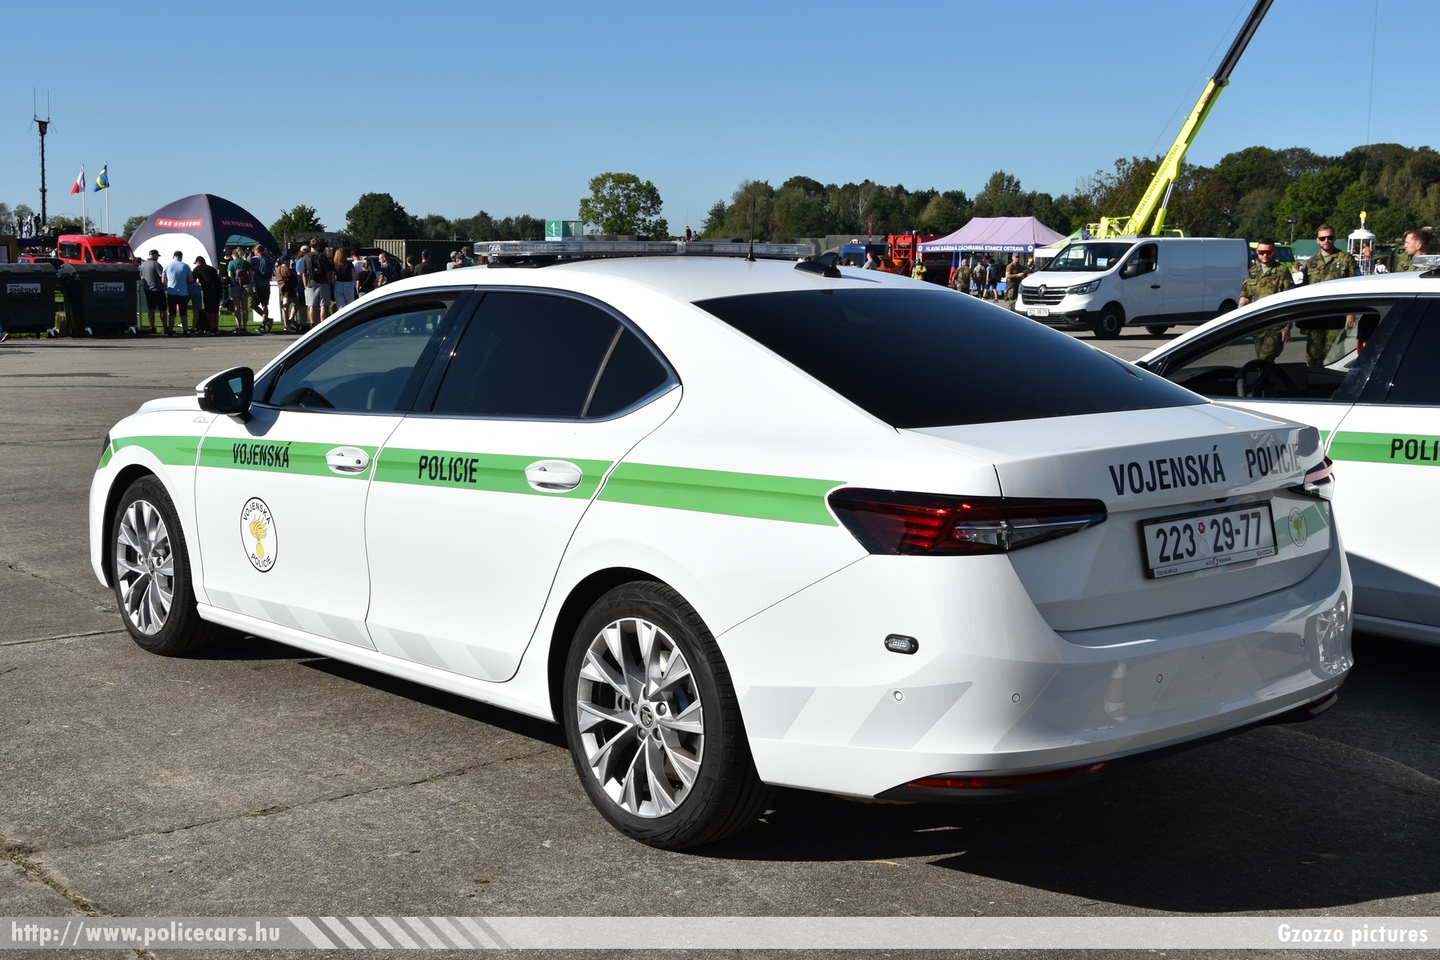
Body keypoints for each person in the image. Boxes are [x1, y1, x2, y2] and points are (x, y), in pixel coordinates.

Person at [1299, 224, 1357, 364]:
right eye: (1323, 238)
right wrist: (1302, 320)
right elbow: (1304, 291)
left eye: (1330, 237)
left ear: (1334, 238)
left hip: (1337, 315)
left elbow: (1354, 286)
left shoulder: (1345, 259)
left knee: (1334, 356)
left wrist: (1351, 312)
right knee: (1313, 356)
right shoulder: (1310, 263)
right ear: (1317, 240)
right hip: (1316, 315)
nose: (1326, 241)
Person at [1240, 239, 1293, 359]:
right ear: (1257, 252)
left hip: (1275, 325)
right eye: (1261, 252)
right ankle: (1269, 378)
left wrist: (1287, 325)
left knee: (1265, 358)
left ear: (1273, 252)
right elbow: (1245, 296)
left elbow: (1289, 299)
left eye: (1268, 252)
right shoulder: (1253, 271)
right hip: (1257, 325)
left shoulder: (1282, 271)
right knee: (1262, 360)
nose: (1264, 255)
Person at [301, 238, 333, 328]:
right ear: (318, 245)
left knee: (312, 305)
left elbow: (303, 273)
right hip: (323, 283)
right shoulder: (323, 256)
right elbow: (328, 272)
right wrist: (329, 283)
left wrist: (305, 285)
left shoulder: (306, 257)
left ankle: (312, 324)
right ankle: (322, 324)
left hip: (311, 283)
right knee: (324, 305)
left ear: (310, 245)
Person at [161, 251, 192, 336]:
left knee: (172, 313)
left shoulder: (167, 265)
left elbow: (163, 280)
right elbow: (190, 280)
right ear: (181, 257)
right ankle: (185, 330)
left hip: (171, 292)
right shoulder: (186, 266)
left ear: (173, 256)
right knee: (183, 313)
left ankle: (170, 330)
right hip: (183, 292)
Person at [191, 256, 222, 335]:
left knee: (209, 311)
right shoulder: (211, 268)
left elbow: (192, 281)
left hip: (208, 291)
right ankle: (216, 327)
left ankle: (211, 328)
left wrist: (199, 283)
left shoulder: (197, 269)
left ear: (198, 262)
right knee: (215, 310)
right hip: (217, 290)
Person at [138, 249, 166, 332]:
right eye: (157, 256)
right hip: (158, 289)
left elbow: (141, 276)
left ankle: (152, 326)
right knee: (162, 309)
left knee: (151, 309)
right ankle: (165, 327)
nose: (158, 258)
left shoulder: (143, 265)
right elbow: (161, 275)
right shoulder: (156, 264)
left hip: (147, 289)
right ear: (155, 255)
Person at [250, 245, 275, 332]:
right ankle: (264, 323)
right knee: (265, 305)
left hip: (257, 284)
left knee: (253, 304)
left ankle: (266, 321)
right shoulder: (269, 259)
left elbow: (249, 269)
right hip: (266, 284)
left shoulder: (254, 259)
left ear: (257, 250)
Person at [227, 248, 252, 333]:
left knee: (237, 307)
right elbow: (251, 275)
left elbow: (230, 276)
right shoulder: (246, 263)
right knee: (245, 307)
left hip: (234, 287)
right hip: (245, 286)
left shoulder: (231, 263)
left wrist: (236, 285)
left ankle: (239, 326)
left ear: (234, 255)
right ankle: (245, 326)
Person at [331, 247, 356, 311]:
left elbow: (333, 279)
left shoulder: (334, 265)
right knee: (350, 306)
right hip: (348, 284)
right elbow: (354, 277)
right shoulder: (350, 264)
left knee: (340, 306)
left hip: (338, 284)